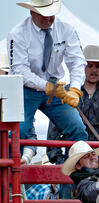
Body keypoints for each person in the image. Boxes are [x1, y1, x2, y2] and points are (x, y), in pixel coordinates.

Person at [7, 0, 88, 166]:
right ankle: (7, 185)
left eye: (51, 13)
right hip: (25, 90)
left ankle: (76, 182)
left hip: (56, 89)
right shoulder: (18, 34)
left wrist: (74, 89)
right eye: (43, 14)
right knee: (16, 133)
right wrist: (48, 87)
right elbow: (20, 70)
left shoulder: (66, 29)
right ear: (32, 13)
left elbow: (77, 61)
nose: (48, 17)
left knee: (77, 129)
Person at [47, 44, 99, 164]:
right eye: (90, 65)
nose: (94, 70)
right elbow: (53, 130)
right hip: (73, 159)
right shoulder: (65, 93)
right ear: (82, 67)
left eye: (98, 66)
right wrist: (60, 161)